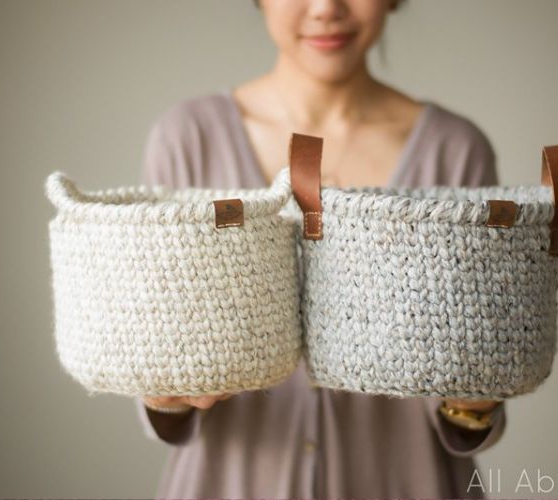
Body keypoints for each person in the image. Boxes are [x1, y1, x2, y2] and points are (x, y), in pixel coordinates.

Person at [135, 0, 506, 498]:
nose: (327, 8)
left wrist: (474, 403)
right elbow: (159, 377)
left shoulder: (455, 151)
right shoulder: (188, 139)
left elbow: (472, 396)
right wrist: (167, 395)